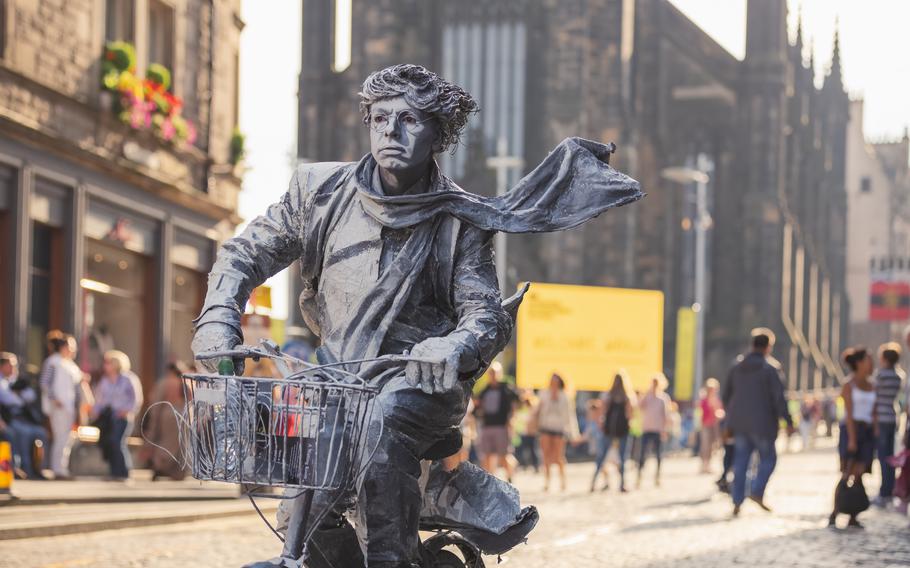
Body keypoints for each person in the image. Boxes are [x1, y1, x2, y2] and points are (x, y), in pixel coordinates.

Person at [191, 63, 644, 567]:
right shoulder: (318, 193)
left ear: (438, 134)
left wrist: (452, 345)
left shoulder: (459, 220)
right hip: (339, 377)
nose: (391, 131)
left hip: (417, 382)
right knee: (305, 498)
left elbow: (484, 315)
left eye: (409, 119)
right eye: (381, 118)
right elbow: (244, 254)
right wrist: (217, 316)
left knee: (379, 433)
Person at [723, 328, 794, 516]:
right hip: (763, 424)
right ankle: (757, 490)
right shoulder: (770, 369)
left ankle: (737, 501)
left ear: (752, 344)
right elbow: (779, 398)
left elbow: (726, 396)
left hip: (739, 423)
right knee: (769, 459)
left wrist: (731, 417)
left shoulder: (736, 367)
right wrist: (788, 420)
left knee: (741, 463)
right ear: (768, 347)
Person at [829, 347, 876, 528]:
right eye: (868, 359)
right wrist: (852, 439)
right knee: (847, 472)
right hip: (851, 429)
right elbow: (848, 413)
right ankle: (835, 511)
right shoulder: (848, 384)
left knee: (860, 473)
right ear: (859, 362)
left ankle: (853, 514)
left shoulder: (872, 384)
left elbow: (873, 411)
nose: (871, 363)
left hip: (867, 431)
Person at [91, 350, 142, 481]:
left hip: (123, 417)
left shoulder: (128, 378)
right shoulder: (105, 381)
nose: (105, 365)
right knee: (109, 443)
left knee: (118, 442)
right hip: (109, 418)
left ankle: (124, 472)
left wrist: (128, 411)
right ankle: (114, 472)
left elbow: (136, 399)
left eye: (108, 362)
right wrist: (95, 412)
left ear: (116, 363)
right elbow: (100, 399)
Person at [39, 332, 82, 480]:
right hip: (59, 407)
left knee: (67, 438)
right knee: (60, 437)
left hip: (69, 407)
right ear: (63, 347)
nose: (73, 350)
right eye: (71, 346)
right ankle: (57, 469)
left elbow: (77, 387)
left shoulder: (71, 365)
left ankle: (61, 468)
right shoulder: (53, 362)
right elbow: (45, 382)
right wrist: (54, 399)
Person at [0, 353, 47, 479]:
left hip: (23, 419)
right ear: (2, 366)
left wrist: (18, 391)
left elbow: (30, 396)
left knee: (40, 433)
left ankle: (39, 468)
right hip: (9, 419)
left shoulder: (14, 380)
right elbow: (9, 400)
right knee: (23, 433)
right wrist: (17, 394)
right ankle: (22, 469)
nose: (14, 368)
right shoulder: (1, 382)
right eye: (11, 365)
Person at [141, 361, 189, 481]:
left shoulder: (164, 383)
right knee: (180, 444)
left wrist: (153, 421)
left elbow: (157, 403)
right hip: (185, 414)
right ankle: (177, 472)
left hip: (168, 413)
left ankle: (159, 466)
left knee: (164, 442)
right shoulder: (186, 382)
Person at [872, 342, 904, 507]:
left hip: (881, 418)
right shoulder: (898, 376)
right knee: (890, 456)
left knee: (883, 456)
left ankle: (884, 492)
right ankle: (890, 489)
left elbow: (874, 398)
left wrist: (874, 422)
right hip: (893, 417)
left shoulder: (881, 375)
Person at [476, 362, 518, 481]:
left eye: (495, 373)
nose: (492, 375)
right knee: (487, 455)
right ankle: (490, 480)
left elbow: (516, 402)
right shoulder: (485, 391)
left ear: (500, 374)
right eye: (491, 373)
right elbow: (478, 407)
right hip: (487, 426)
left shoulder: (507, 389)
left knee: (504, 456)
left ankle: (510, 476)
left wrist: (511, 420)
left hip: (501, 426)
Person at [594, 372, 635, 492]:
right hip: (615, 429)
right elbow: (630, 414)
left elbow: (602, 412)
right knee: (617, 458)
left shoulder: (618, 396)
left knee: (610, 457)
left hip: (615, 429)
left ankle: (619, 483)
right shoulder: (619, 396)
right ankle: (620, 484)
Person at [536, 373, 577, 491]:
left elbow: (570, 416)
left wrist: (573, 434)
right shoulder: (544, 394)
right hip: (545, 427)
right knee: (546, 456)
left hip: (559, 429)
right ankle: (547, 481)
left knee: (559, 456)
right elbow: (540, 411)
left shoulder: (565, 396)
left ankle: (563, 480)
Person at [637, 373, 671, 488]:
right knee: (642, 454)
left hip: (658, 429)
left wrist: (664, 429)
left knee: (658, 455)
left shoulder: (663, 398)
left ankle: (657, 476)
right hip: (647, 428)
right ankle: (639, 476)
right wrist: (646, 394)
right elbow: (639, 407)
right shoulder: (648, 396)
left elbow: (666, 415)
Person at [698, 378, 724, 473]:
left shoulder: (716, 400)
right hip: (706, 425)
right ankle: (704, 465)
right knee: (705, 445)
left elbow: (720, 410)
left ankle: (708, 465)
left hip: (715, 425)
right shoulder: (704, 400)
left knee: (713, 446)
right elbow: (701, 412)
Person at [513, 390, 540, 473]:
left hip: (531, 432)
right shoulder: (519, 407)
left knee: (533, 450)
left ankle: (536, 466)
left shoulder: (533, 405)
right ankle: (524, 465)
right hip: (522, 432)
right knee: (522, 450)